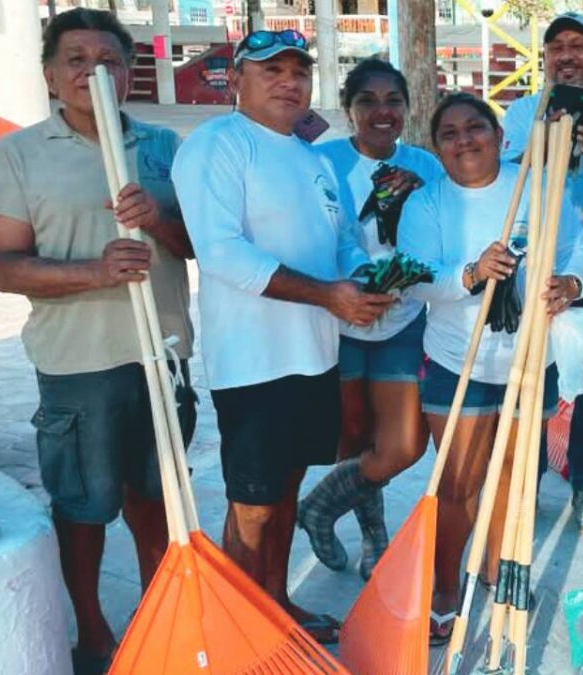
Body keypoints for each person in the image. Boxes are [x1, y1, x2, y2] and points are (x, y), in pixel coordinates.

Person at [0, 9, 196, 673]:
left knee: (159, 502)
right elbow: (7, 265)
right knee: (84, 507)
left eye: (108, 59)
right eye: (76, 59)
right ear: (50, 73)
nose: (93, 72)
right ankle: (95, 632)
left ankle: (167, 623)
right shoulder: (17, 154)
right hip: (79, 364)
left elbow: (198, 247)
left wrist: (157, 218)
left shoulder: (162, 146)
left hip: (162, 357)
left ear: (130, 70)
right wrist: (95, 271)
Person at [171, 30, 389, 644]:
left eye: (299, 71)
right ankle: (234, 634)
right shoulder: (219, 143)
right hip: (254, 362)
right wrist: (327, 294)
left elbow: (343, 238)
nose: (289, 81)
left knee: (287, 489)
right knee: (253, 503)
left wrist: (361, 276)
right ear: (237, 78)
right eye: (272, 70)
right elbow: (219, 253)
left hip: (314, 355)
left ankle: (274, 608)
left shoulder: (314, 159)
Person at [397, 93, 583, 644]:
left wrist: (571, 285)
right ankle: (444, 589)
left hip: (532, 358)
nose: (464, 140)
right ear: (437, 148)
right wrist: (472, 272)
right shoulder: (427, 202)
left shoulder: (535, 183)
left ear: (499, 137)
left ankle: (497, 571)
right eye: (450, 133)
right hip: (460, 361)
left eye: (475, 128)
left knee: (513, 476)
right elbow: (415, 276)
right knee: (457, 483)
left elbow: (573, 247)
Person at [297, 58, 444, 581]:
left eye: (393, 101)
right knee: (354, 438)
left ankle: (318, 507)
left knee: (401, 445)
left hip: (401, 322)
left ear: (407, 107)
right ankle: (374, 536)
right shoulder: (322, 160)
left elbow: (441, 240)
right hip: (336, 321)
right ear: (348, 110)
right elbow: (311, 236)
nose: (382, 112)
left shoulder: (427, 166)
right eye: (368, 101)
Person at [501, 11, 583, 535]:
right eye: (556, 46)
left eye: (578, 44)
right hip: (542, 274)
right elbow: (511, 177)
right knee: (534, 388)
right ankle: (523, 488)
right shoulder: (521, 113)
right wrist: (550, 135)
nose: (567, 55)